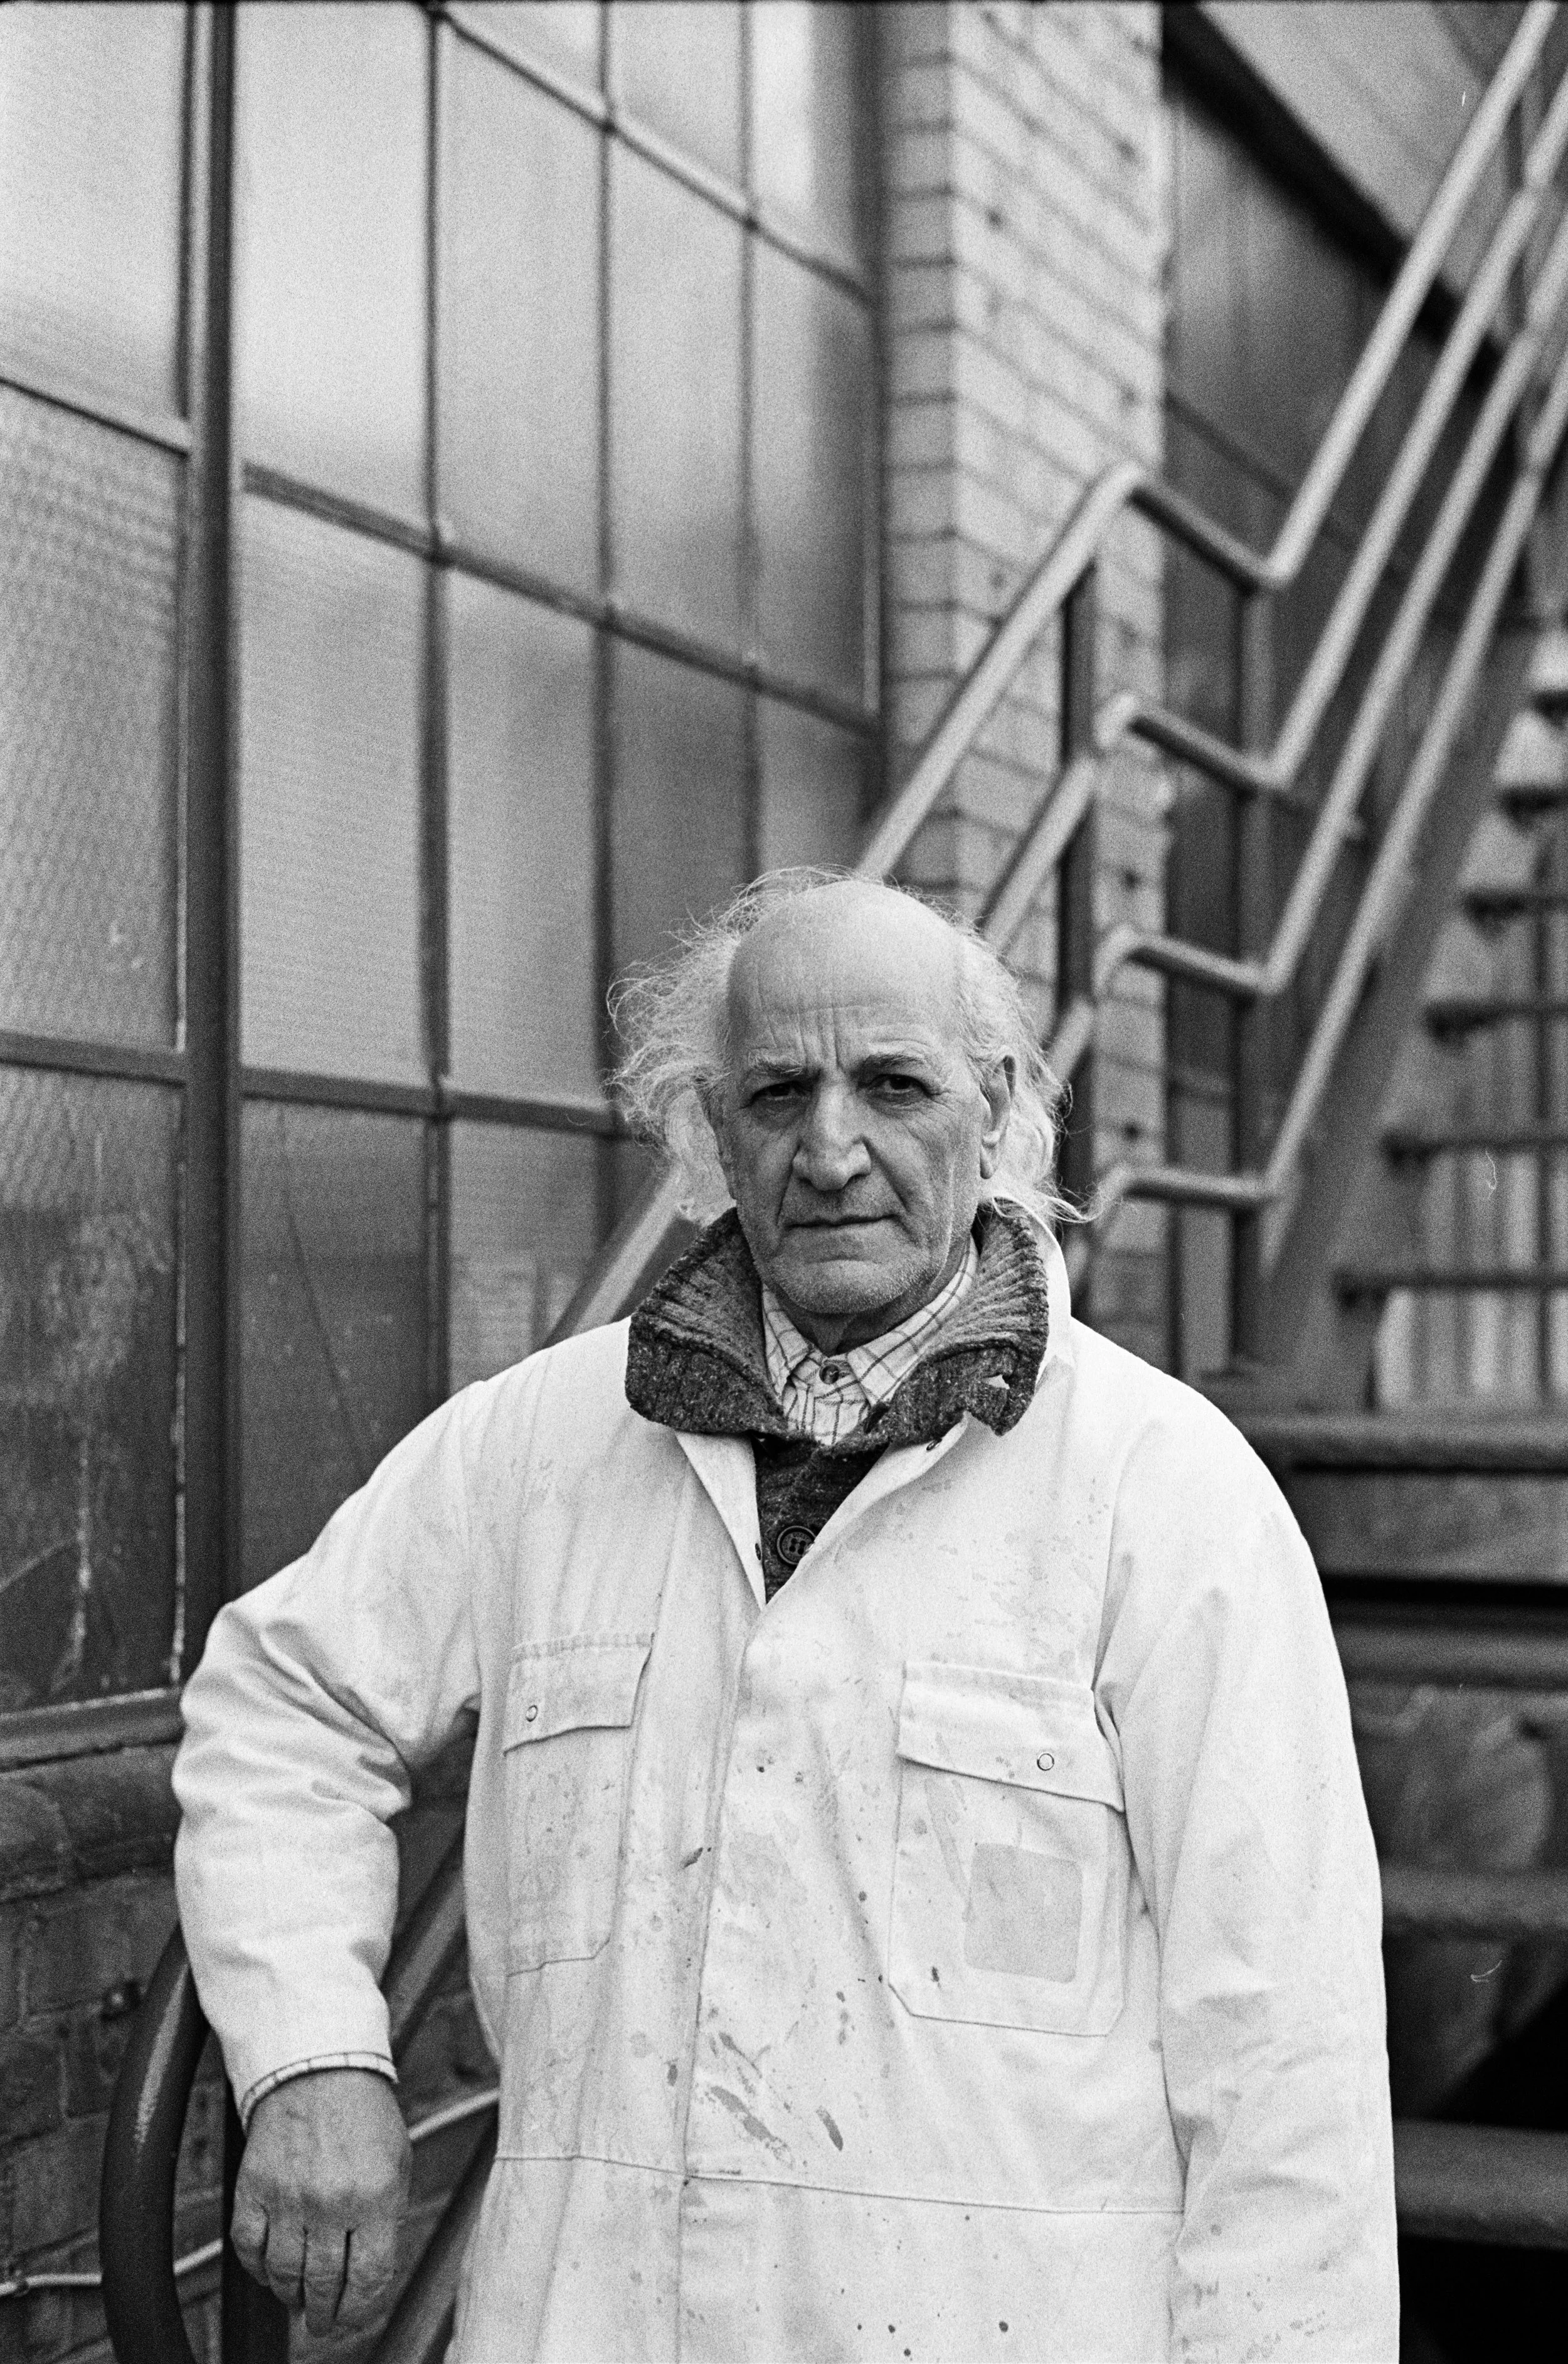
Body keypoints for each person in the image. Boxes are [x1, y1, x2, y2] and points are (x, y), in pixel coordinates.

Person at [174, 872, 1399, 2361]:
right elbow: (283, 1706)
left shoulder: (1163, 1493)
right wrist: (309, 2054)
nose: (832, 1151)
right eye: (776, 1094)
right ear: (707, 1127)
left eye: (893, 1085)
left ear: (998, 1109)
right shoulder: (534, 1447)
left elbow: (1285, 2055)